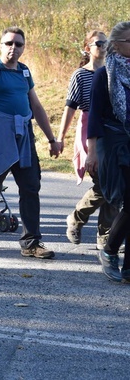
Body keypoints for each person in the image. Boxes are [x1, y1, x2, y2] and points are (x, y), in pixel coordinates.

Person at [0, 27, 61, 257]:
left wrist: (52, 139)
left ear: (23, 48)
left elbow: (36, 106)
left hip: (23, 137)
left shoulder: (25, 72)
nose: (13, 48)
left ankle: (32, 243)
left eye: (18, 44)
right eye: (8, 43)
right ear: (0, 45)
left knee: (30, 187)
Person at [57, 31, 118, 249]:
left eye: (107, 42)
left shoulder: (114, 71)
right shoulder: (80, 75)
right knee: (103, 183)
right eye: (99, 43)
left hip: (113, 131)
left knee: (116, 183)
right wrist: (60, 137)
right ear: (87, 48)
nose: (103, 46)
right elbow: (70, 108)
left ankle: (105, 236)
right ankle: (76, 218)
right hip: (89, 130)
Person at [86, 21, 130, 282]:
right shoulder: (104, 74)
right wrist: (91, 152)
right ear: (116, 44)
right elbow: (94, 117)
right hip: (112, 143)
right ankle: (110, 250)